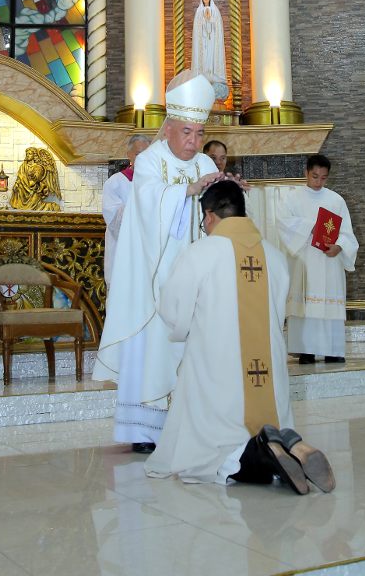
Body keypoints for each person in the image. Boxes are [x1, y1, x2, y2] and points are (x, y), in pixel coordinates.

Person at [146, 181, 335, 493]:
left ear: (209, 215)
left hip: (218, 370)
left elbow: (174, 312)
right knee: (267, 412)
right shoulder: (275, 257)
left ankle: (255, 453)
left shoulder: (199, 252)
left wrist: (181, 327)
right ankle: (286, 444)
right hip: (269, 372)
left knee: (205, 457)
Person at [92, 71, 222, 453]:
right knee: (153, 349)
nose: (194, 142)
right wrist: (186, 191)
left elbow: (211, 216)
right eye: (187, 132)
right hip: (154, 277)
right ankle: (146, 431)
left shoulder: (202, 164)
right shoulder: (149, 161)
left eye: (199, 134)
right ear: (167, 129)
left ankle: (191, 424)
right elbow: (146, 206)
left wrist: (225, 190)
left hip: (193, 276)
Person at [277, 154, 358, 365]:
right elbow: (283, 224)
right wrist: (309, 226)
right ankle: (306, 351)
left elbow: (348, 234)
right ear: (306, 172)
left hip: (329, 261)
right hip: (305, 260)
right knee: (306, 304)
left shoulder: (336, 200)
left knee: (329, 304)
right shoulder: (292, 198)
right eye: (314, 176)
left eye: (323, 178)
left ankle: (333, 350)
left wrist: (339, 246)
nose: (318, 182)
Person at [101, 134, 151, 285]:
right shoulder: (115, 183)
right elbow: (115, 223)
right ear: (129, 154)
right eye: (138, 154)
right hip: (124, 257)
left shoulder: (158, 183)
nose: (143, 158)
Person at [191, 0, 228, 97]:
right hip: (203, 40)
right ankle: (203, 77)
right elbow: (197, 26)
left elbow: (218, 25)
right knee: (204, 57)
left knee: (211, 57)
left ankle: (213, 75)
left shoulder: (215, 10)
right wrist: (203, 21)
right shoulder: (198, 11)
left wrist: (210, 19)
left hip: (212, 40)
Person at [9, 147, 62, 211]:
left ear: (34, 155)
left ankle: (52, 206)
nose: (28, 155)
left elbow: (37, 178)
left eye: (30, 154)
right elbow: (19, 177)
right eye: (27, 154)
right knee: (18, 190)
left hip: (34, 190)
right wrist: (16, 184)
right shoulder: (23, 166)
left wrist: (33, 179)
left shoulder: (38, 167)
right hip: (22, 190)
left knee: (35, 206)